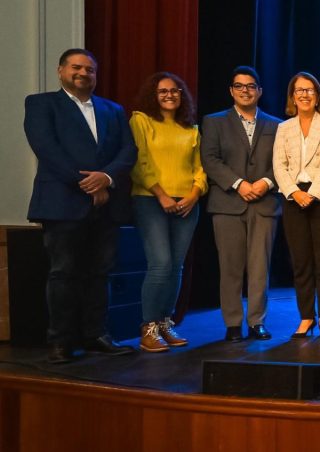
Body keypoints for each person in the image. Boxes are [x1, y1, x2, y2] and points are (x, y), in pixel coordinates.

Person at [24, 48, 136, 363]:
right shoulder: (41, 104)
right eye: (76, 67)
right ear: (61, 71)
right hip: (62, 204)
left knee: (100, 274)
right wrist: (87, 184)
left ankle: (96, 334)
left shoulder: (113, 109)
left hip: (106, 206)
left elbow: (128, 151)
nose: (83, 73)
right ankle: (60, 342)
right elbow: (46, 149)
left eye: (90, 69)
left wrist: (107, 178)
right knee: (63, 273)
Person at [201, 66, 282, 343]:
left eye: (250, 86)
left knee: (260, 267)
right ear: (231, 91)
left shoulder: (276, 125)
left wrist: (266, 183)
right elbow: (210, 159)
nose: (245, 91)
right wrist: (239, 184)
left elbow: (284, 163)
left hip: (265, 203)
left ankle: (257, 321)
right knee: (231, 267)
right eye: (239, 86)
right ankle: (233, 323)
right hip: (227, 203)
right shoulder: (214, 122)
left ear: (259, 91)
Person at [129, 72, 207, 352]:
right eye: (163, 91)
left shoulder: (191, 128)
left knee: (176, 267)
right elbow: (139, 162)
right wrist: (161, 195)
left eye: (175, 91)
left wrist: (194, 194)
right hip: (151, 200)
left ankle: (165, 323)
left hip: (187, 202)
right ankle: (148, 327)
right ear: (154, 95)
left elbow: (200, 167)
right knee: (160, 264)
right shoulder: (141, 120)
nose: (170, 95)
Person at [274, 72, 320, 339]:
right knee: (301, 262)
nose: (304, 94)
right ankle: (306, 318)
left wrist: (312, 194)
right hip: (293, 199)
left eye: (310, 90)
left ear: (318, 96)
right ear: (293, 96)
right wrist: (294, 192)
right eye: (299, 90)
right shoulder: (284, 128)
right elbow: (279, 165)